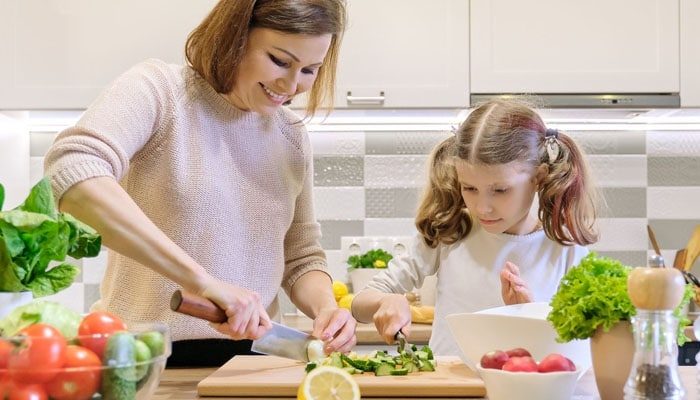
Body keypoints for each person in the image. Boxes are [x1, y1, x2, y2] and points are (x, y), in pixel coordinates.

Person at [43, 0, 355, 367]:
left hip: (258, 362)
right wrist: (201, 281)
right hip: (144, 359)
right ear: (234, 37)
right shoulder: (160, 91)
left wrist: (327, 310)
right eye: (280, 61)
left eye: (310, 70)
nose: (291, 84)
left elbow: (301, 256)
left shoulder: (290, 136)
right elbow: (71, 169)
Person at [351, 99, 600, 356]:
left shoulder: (566, 248)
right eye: (469, 188)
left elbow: (585, 347)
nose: (482, 208)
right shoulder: (451, 231)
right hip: (449, 391)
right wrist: (385, 301)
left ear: (538, 177)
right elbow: (360, 303)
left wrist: (532, 313)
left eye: (500, 190)